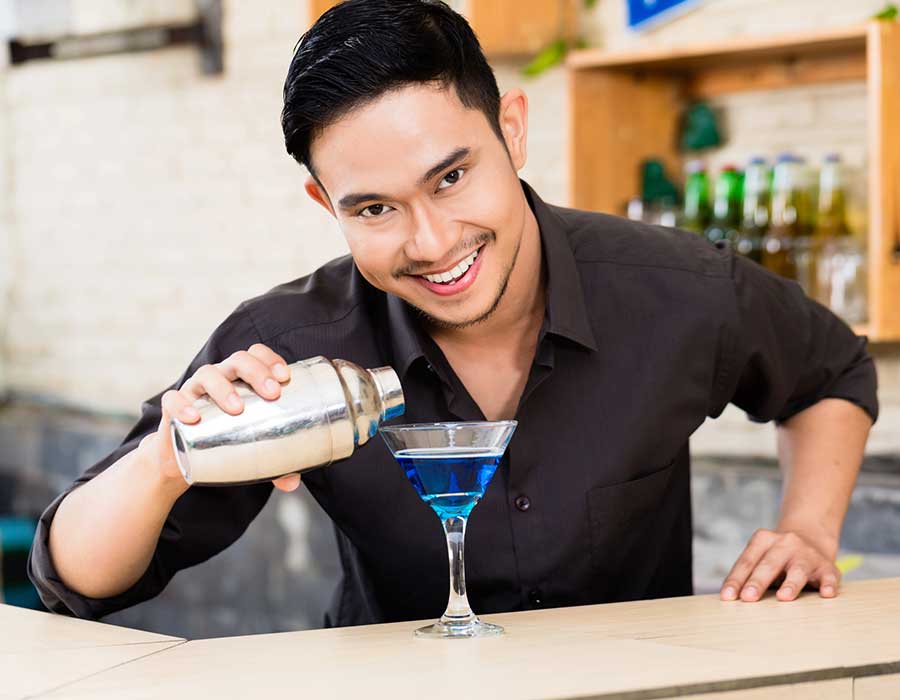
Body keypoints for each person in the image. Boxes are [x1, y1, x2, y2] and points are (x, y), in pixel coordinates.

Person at [29, 0, 877, 627]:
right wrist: (167, 460)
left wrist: (806, 527)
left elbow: (830, 371)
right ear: (325, 203)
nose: (432, 242)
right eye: (373, 210)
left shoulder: (675, 287)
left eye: (451, 177)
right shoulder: (290, 348)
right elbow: (77, 579)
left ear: (511, 130)